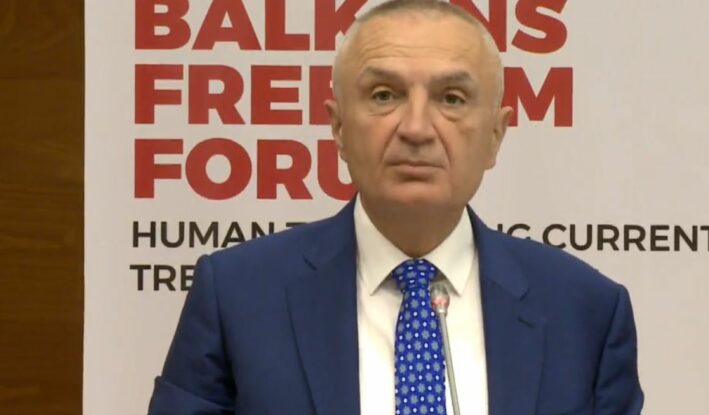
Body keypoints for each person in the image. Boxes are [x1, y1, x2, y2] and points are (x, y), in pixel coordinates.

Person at [148, 1, 644, 414]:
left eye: (452, 99)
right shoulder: (237, 298)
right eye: (385, 95)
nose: (417, 128)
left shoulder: (585, 313)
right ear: (339, 128)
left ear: (496, 135)